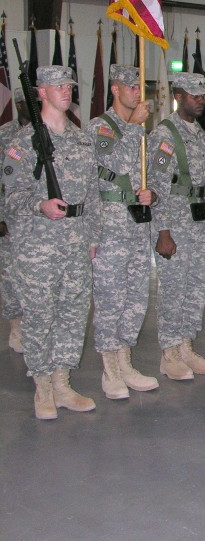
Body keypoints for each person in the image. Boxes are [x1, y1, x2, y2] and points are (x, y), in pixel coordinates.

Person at [3, 66, 99, 420]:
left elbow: (94, 196)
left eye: (69, 85)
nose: (65, 91)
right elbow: (9, 197)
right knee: (40, 315)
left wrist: (92, 236)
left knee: (73, 314)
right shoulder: (22, 142)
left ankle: (62, 382)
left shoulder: (82, 138)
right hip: (37, 245)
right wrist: (39, 204)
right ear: (40, 92)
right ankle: (42, 386)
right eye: (56, 86)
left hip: (75, 240)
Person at [88, 64, 159, 400]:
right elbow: (111, 166)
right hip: (110, 226)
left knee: (135, 297)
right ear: (114, 89)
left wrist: (151, 194)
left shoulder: (139, 130)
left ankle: (125, 360)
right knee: (110, 297)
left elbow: (145, 176)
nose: (136, 93)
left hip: (137, 222)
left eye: (139, 87)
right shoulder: (101, 128)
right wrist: (132, 128)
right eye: (130, 87)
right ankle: (109, 369)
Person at [147, 71, 205, 381]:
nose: (200, 100)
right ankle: (170, 353)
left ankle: (187, 346)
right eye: (194, 96)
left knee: (196, 287)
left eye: (202, 95)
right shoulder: (165, 134)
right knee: (173, 289)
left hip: (198, 223)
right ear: (178, 97)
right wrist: (162, 231)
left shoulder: (200, 135)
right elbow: (156, 185)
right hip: (174, 223)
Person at [0, 88, 31, 353]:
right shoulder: (5, 135)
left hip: (37, 220)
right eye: (22, 102)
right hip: (9, 217)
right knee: (9, 275)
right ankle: (15, 325)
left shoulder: (45, 133)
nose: (26, 106)